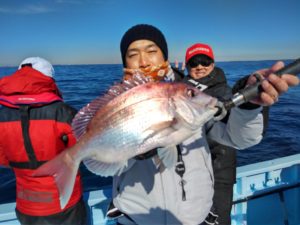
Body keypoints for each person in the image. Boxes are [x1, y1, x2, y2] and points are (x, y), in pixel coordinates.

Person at [107, 24, 299, 225]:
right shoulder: (116, 105)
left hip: (195, 217)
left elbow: (240, 138)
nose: (144, 61)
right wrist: (131, 150)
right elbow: (105, 161)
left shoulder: (189, 96)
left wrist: (248, 105)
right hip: (136, 218)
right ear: (125, 62)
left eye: (152, 51)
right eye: (133, 54)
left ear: (164, 56)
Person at [183, 43, 269, 224]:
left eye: (205, 61)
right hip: (187, 172)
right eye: (194, 63)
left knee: (218, 219)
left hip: (220, 170)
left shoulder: (225, 92)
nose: (200, 66)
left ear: (213, 65)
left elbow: (243, 131)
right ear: (186, 66)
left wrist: (250, 101)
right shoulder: (181, 89)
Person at [0, 57, 87, 225]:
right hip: (66, 204)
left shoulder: (2, 116)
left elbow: (4, 159)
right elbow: (82, 153)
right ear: (49, 79)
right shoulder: (65, 113)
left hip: (26, 205)